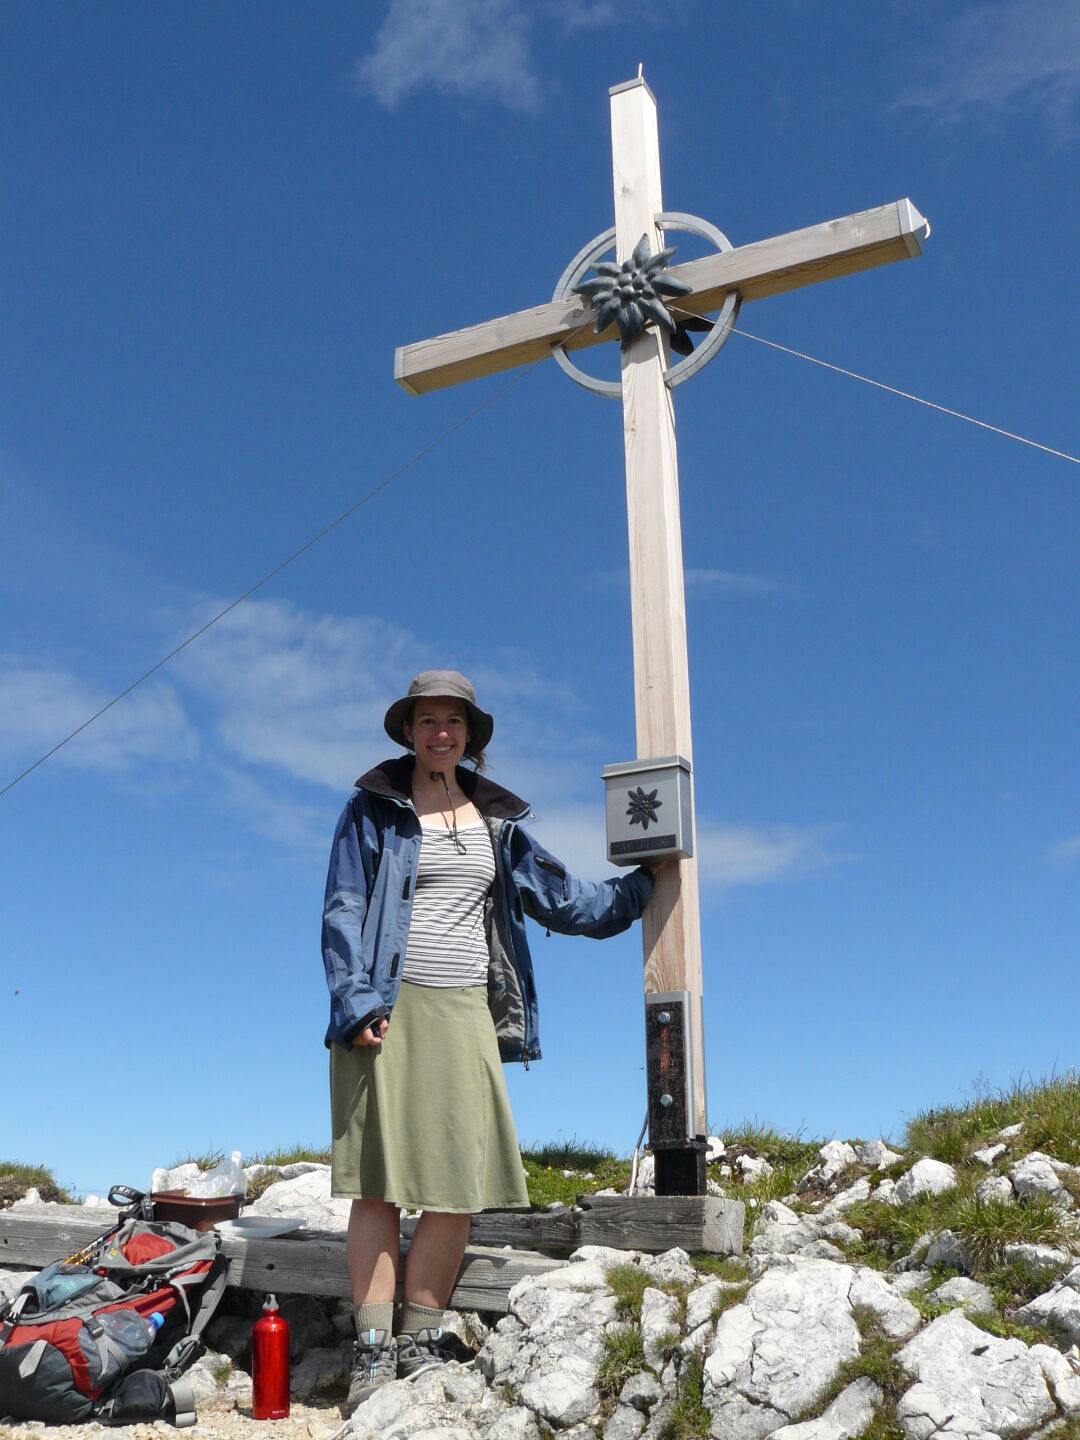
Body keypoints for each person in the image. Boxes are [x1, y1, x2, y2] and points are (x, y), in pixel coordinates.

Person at [321, 670, 657, 1411]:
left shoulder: (497, 825)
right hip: (388, 1011)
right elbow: (343, 910)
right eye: (427, 720)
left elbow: (562, 898)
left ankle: (419, 1339)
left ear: (471, 735)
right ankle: (372, 1352)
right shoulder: (372, 810)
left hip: (467, 1013)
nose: (440, 733)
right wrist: (356, 1003)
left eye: (453, 722)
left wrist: (642, 885)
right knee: (378, 1184)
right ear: (407, 730)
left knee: (457, 1186)